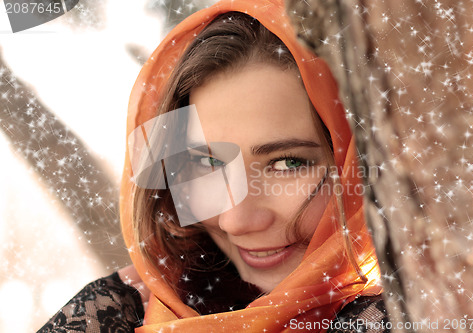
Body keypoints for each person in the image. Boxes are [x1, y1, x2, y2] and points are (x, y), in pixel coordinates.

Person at [38, 0, 386, 332]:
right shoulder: (118, 314)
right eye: (207, 161)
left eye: (287, 163)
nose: (234, 220)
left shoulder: (410, 318)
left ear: (361, 163)